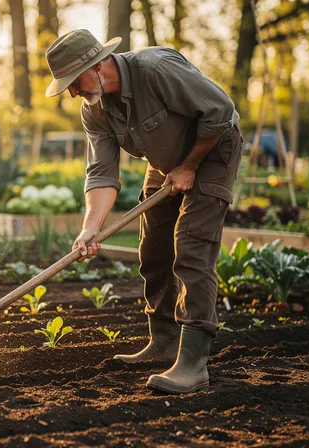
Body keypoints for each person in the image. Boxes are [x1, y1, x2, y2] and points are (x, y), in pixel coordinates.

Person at [44, 29, 242, 394]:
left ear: (98, 64)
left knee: (191, 246)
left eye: (73, 82)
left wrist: (190, 165)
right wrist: (90, 228)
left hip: (213, 148)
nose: (71, 92)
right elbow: (102, 173)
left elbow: (220, 110)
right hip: (165, 160)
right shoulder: (95, 110)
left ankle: (193, 364)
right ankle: (163, 340)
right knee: (153, 248)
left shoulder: (156, 68)